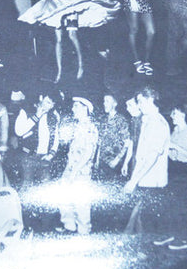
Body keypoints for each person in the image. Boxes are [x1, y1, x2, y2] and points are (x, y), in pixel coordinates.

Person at [18, 0, 120, 82]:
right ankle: (59, 71)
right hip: (55, 4)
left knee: (72, 35)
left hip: (69, 2)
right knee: (58, 39)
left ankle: (81, 66)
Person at [124, 86, 170, 235]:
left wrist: (133, 180)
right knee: (140, 221)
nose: (139, 105)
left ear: (150, 100)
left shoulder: (158, 124)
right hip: (144, 180)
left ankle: (145, 247)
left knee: (147, 224)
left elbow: (151, 158)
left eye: (140, 101)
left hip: (152, 182)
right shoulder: (149, 121)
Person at [57, 97, 99, 235]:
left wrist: (75, 171)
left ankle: (83, 232)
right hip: (70, 168)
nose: (73, 109)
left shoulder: (89, 127)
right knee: (64, 198)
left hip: (81, 171)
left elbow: (88, 152)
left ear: (85, 108)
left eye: (76, 106)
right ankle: (69, 226)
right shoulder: (79, 125)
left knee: (81, 203)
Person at [14, 91, 60, 185]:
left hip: (45, 158)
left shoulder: (54, 116)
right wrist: (36, 116)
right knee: (26, 185)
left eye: (52, 104)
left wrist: (51, 155)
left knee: (46, 186)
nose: (50, 106)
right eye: (48, 102)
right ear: (41, 98)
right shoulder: (26, 111)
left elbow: (56, 138)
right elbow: (19, 131)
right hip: (28, 157)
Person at [96, 93, 131, 181]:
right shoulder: (103, 119)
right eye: (104, 101)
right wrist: (97, 159)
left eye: (107, 101)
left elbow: (127, 142)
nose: (104, 103)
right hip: (102, 162)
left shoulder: (121, 120)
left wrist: (116, 160)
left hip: (114, 164)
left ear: (115, 104)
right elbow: (100, 141)